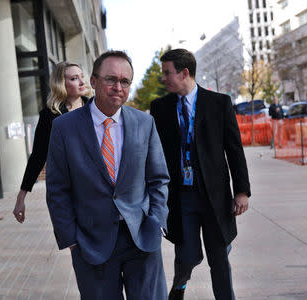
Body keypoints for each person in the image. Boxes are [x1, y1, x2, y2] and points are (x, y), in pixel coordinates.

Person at [46, 50, 170, 299]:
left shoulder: (144, 123)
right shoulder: (64, 127)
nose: (118, 87)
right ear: (93, 82)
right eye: (110, 79)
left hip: (141, 238)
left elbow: (159, 179)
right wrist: (71, 239)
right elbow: (57, 188)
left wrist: (157, 220)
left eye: (124, 81)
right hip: (91, 244)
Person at [150, 49, 251, 300]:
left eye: (167, 73)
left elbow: (234, 148)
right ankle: (179, 287)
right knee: (187, 256)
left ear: (184, 73)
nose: (163, 78)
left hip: (214, 197)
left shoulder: (219, 103)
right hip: (181, 196)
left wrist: (241, 191)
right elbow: (152, 154)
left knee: (219, 260)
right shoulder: (160, 108)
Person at [13, 62, 90, 223]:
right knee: (76, 243)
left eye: (82, 76)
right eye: (74, 78)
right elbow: (38, 155)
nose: (82, 82)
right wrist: (21, 197)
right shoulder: (50, 115)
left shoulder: (95, 109)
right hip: (66, 190)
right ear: (61, 84)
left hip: (96, 187)